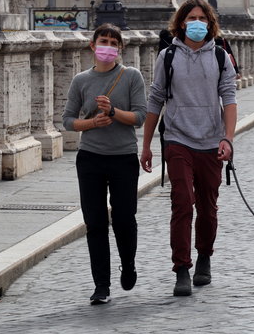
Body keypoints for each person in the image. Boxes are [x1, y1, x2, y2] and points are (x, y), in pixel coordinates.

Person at [141, 0, 237, 297]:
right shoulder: (167, 57)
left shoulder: (221, 57)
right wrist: (145, 145)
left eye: (202, 18)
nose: (197, 23)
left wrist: (228, 139)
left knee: (208, 207)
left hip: (211, 141)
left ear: (209, 24)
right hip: (177, 138)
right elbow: (155, 99)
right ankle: (181, 268)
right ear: (181, 23)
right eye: (191, 18)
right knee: (182, 202)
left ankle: (204, 258)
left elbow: (230, 99)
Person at [62, 24, 147, 305]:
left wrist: (112, 111)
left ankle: (129, 264)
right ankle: (101, 285)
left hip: (123, 157)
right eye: (103, 41)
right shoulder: (81, 80)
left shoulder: (131, 76)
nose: (108, 46)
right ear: (92, 45)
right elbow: (67, 121)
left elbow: (139, 117)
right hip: (90, 158)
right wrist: (92, 123)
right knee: (95, 223)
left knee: (124, 218)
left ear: (120, 48)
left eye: (113, 42)